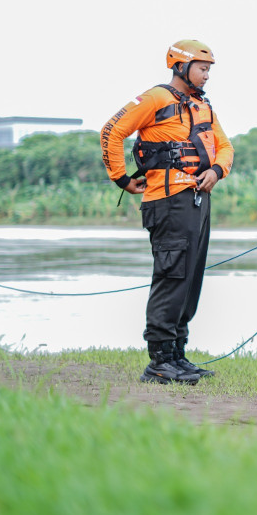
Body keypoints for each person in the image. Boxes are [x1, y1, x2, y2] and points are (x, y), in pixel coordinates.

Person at [101, 40, 234, 385]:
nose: (207, 75)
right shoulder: (156, 98)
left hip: (198, 200)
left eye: (209, 70)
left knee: (190, 278)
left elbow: (225, 146)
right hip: (168, 200)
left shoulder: (202, 106)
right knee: (172, 276)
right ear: (180, 66)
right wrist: (121, 178)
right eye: (202, 68)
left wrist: (216, 171)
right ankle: (159, 362)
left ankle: (177, 355)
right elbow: (111, 132)